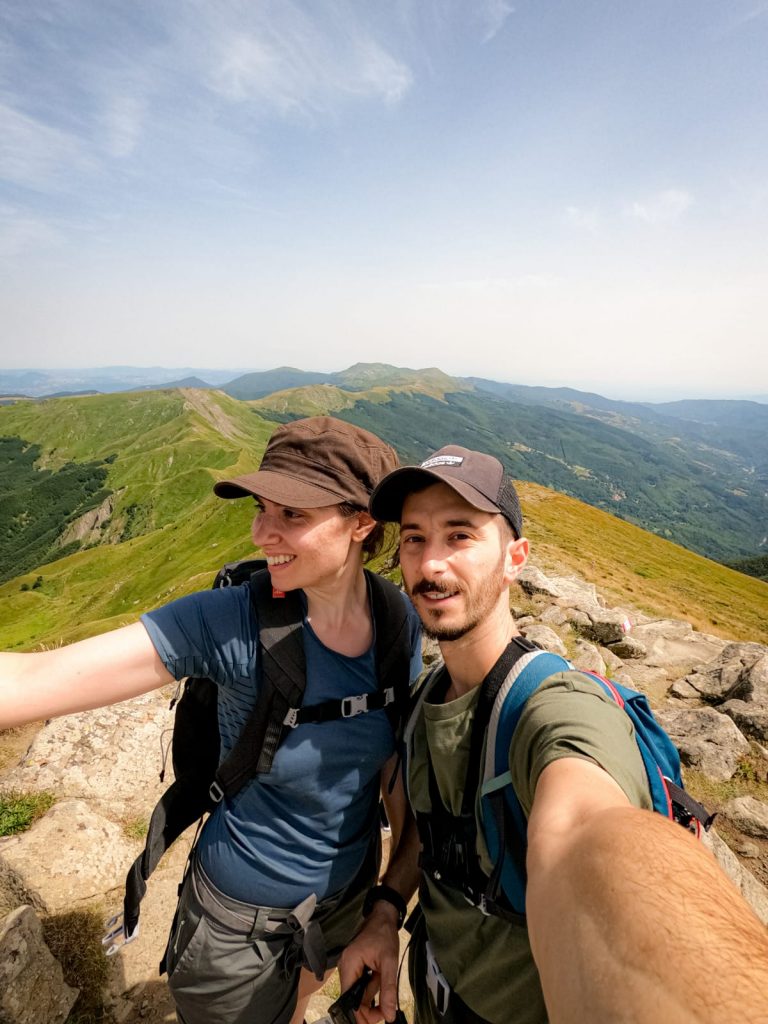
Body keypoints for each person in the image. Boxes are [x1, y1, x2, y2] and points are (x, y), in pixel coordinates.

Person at [0, 416, 422, 1024]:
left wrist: (384, 902)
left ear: (363, 523)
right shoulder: (231, 622)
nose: (262, 534)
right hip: (236, 924)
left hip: (345, 898)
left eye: (292, 516)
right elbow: (36, 682)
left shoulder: (398, 623)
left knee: (300, 1002)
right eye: (261, 508)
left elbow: (390, 766)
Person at [339, 444, 768, 1024]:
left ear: (515, 558)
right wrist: (386, 910)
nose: (431, 564)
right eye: (414, 537)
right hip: (436, 990)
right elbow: (431, 829)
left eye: (460, 536)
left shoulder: (554, 710)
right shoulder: (424, 701)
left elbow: (583, 831)